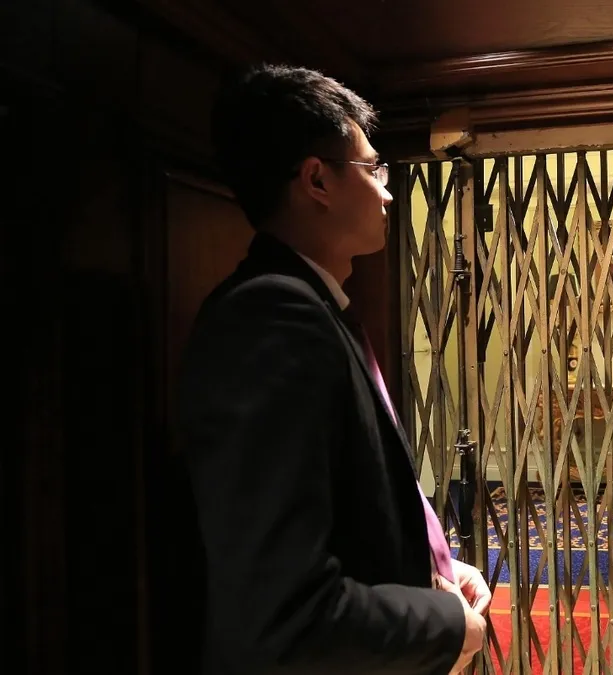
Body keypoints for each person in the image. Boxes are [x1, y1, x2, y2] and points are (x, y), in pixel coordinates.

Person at [176, 64, 489, 674]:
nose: (388, 192)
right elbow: (285, 608)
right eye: (373, 169)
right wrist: (447, 626)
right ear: (317, 180)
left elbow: (348, 517)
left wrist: (433, 570)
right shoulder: (271, 317)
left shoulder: (313, 307)